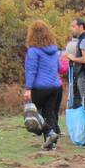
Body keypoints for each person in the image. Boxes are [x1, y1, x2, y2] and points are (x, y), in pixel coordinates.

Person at [23, 20, 62, 151]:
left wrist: (28, 88)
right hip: (54, 86)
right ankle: (50, 144)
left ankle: (49, 132)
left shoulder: (33, 51)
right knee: (49, 113)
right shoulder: (54, 50)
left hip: (39, 87)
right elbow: (59, 67)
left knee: (32, 114)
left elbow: (31, 70)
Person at [65, 18, 85, 108]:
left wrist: (73, 58)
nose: (71, 29)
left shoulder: (84, 40)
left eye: (73, 26)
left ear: (81, 27)